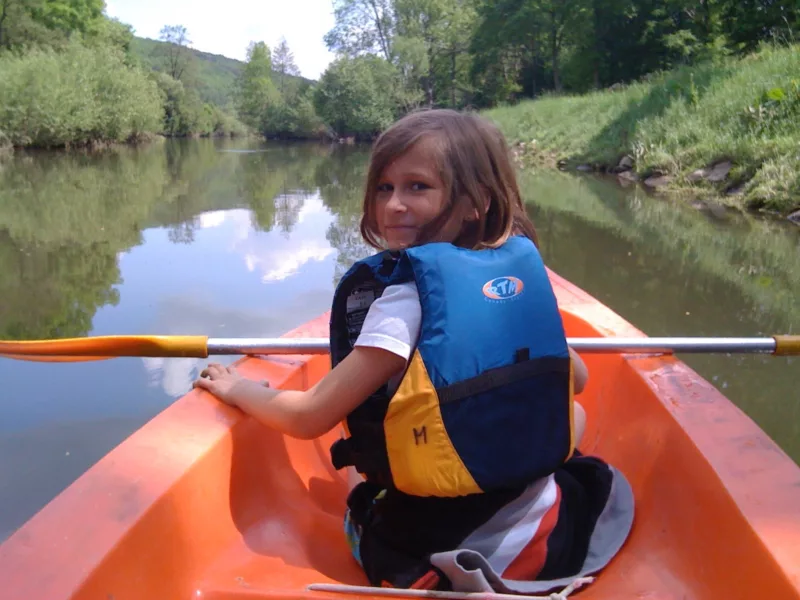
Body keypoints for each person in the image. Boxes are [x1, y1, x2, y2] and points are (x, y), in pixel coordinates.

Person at [193, 109, 634, 596]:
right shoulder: (514, 276)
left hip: (444, 547)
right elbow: (578, 378)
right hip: (548, 530)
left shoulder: (404, 302)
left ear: (475, 203)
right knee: (573, 414)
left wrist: (239, 388)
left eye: (417, 187)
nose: (393, 206)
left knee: (362, 506)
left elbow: (308, 417)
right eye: (384, 188)